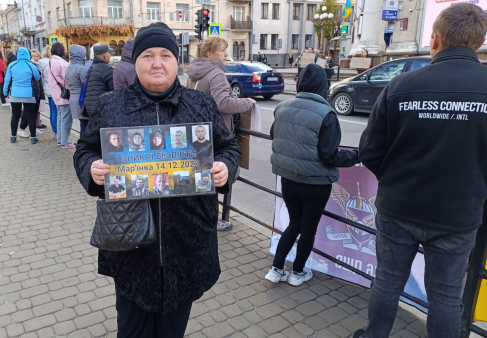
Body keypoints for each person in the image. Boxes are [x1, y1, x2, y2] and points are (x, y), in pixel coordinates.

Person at [73, 21, 241, 337]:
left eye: (165, 55)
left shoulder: (200, 104)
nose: (157, 63)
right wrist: (93, 168)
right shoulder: (112, 105)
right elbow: (85, 149)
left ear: (176, 61)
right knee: (132, 330)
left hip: (187, 242)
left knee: (172, 331)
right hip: (131, 242)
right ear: (135, 61)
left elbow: (229, 146)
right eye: (148, 55)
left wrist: (224, 167)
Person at [354, 5, 487, 338]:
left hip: (399, 206)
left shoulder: (400, 86)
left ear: (435, 39)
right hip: (459, 213)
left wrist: (397, 178)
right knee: (445, 296)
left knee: (387, 281)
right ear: (480, 41)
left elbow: (369, 151)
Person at [265, 64, 358, 286]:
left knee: (293, 224)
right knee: (308, 229)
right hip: (316, 183)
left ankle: (276, 269)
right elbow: (329, 155)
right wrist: (356, 156)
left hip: (288, 179)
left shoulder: (282, 108)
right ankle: (297, 273)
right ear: (322, 85)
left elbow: (274, 135)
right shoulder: (327, 113)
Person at [187, 37, 255, 133]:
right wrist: (247, 102)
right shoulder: (216, 73)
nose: (226, 54)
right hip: (218, 132)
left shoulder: (193, 73)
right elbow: (223, 103)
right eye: (222, 50)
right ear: (209, 54)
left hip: (198, 130)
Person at [3, 47, 41, 145]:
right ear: (28, 55)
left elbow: (7, 80)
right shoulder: (31, 65)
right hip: (28, 94)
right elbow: (37, 78)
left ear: (18, 54)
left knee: (15, 116)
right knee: (31, 117)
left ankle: (13, 136)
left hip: (15, 94)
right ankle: (33, 137)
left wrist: (4, 92)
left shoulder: (12, 65)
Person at [81, 43, 114, 134]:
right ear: (104, 56)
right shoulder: (106, 69)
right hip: (102, 108)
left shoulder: (92, 67)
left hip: (90, 107)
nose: (110, 55)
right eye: (109, 53)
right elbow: (114, 89)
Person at [49, 42, 74, 149]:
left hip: (56, 93)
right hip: (64, 94)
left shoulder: (51, 62)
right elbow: (67, 78)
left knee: (60, 117)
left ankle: (60, 139)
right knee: (66, 119)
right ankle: (65, 141)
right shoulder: (61, 63)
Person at [17, 49, 46, 138]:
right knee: (28, 111)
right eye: (34, 56)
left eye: (37, 56)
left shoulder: (38, 65)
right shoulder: (31, 65)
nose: (36, 58)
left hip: (36, 90)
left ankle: (33, 128)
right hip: (31, 91)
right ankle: (22, 128)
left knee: (34, 111)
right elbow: (36, 78)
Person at [66, 45, 87, 136]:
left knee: (82, 123)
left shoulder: (69, 67)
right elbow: (86, 83)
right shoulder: (81, 68)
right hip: (81, 99)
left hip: (72, 98)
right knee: (85, 125)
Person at [39, 45, 56, 139]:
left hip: (46, 88)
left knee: (52, 111)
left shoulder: (40, 63)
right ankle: (56, 131)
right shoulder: (52, 62)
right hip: (54, 89)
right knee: (56, 111)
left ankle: (54, 130)